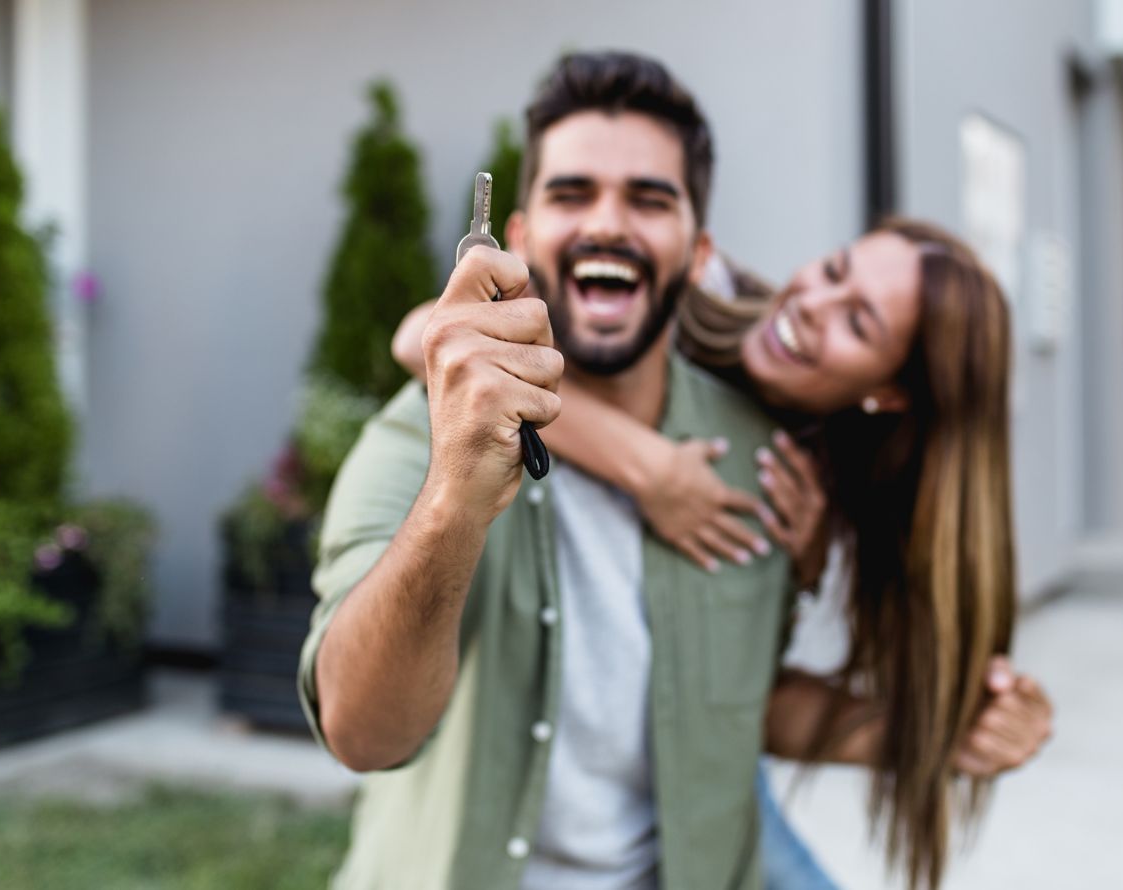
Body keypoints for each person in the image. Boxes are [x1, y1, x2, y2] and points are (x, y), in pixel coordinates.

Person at [303, 51, 855, 889]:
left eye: (649, 197)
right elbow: (361, 733)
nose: (608, 223)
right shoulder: (415, 436)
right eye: (571, 194)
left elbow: (752, 707)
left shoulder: (762, 460)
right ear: (519, 239)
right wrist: (454, 498)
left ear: (698, 250)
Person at [393, 219, 1055, 890]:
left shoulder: (842, 479)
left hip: (703, 747)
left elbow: (747, 698)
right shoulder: (698, 291)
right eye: (833, 271)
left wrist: (965, 730)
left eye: (857, 323)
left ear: (889, 394)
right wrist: (649, 469)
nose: (808, 304)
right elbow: (421, 331)